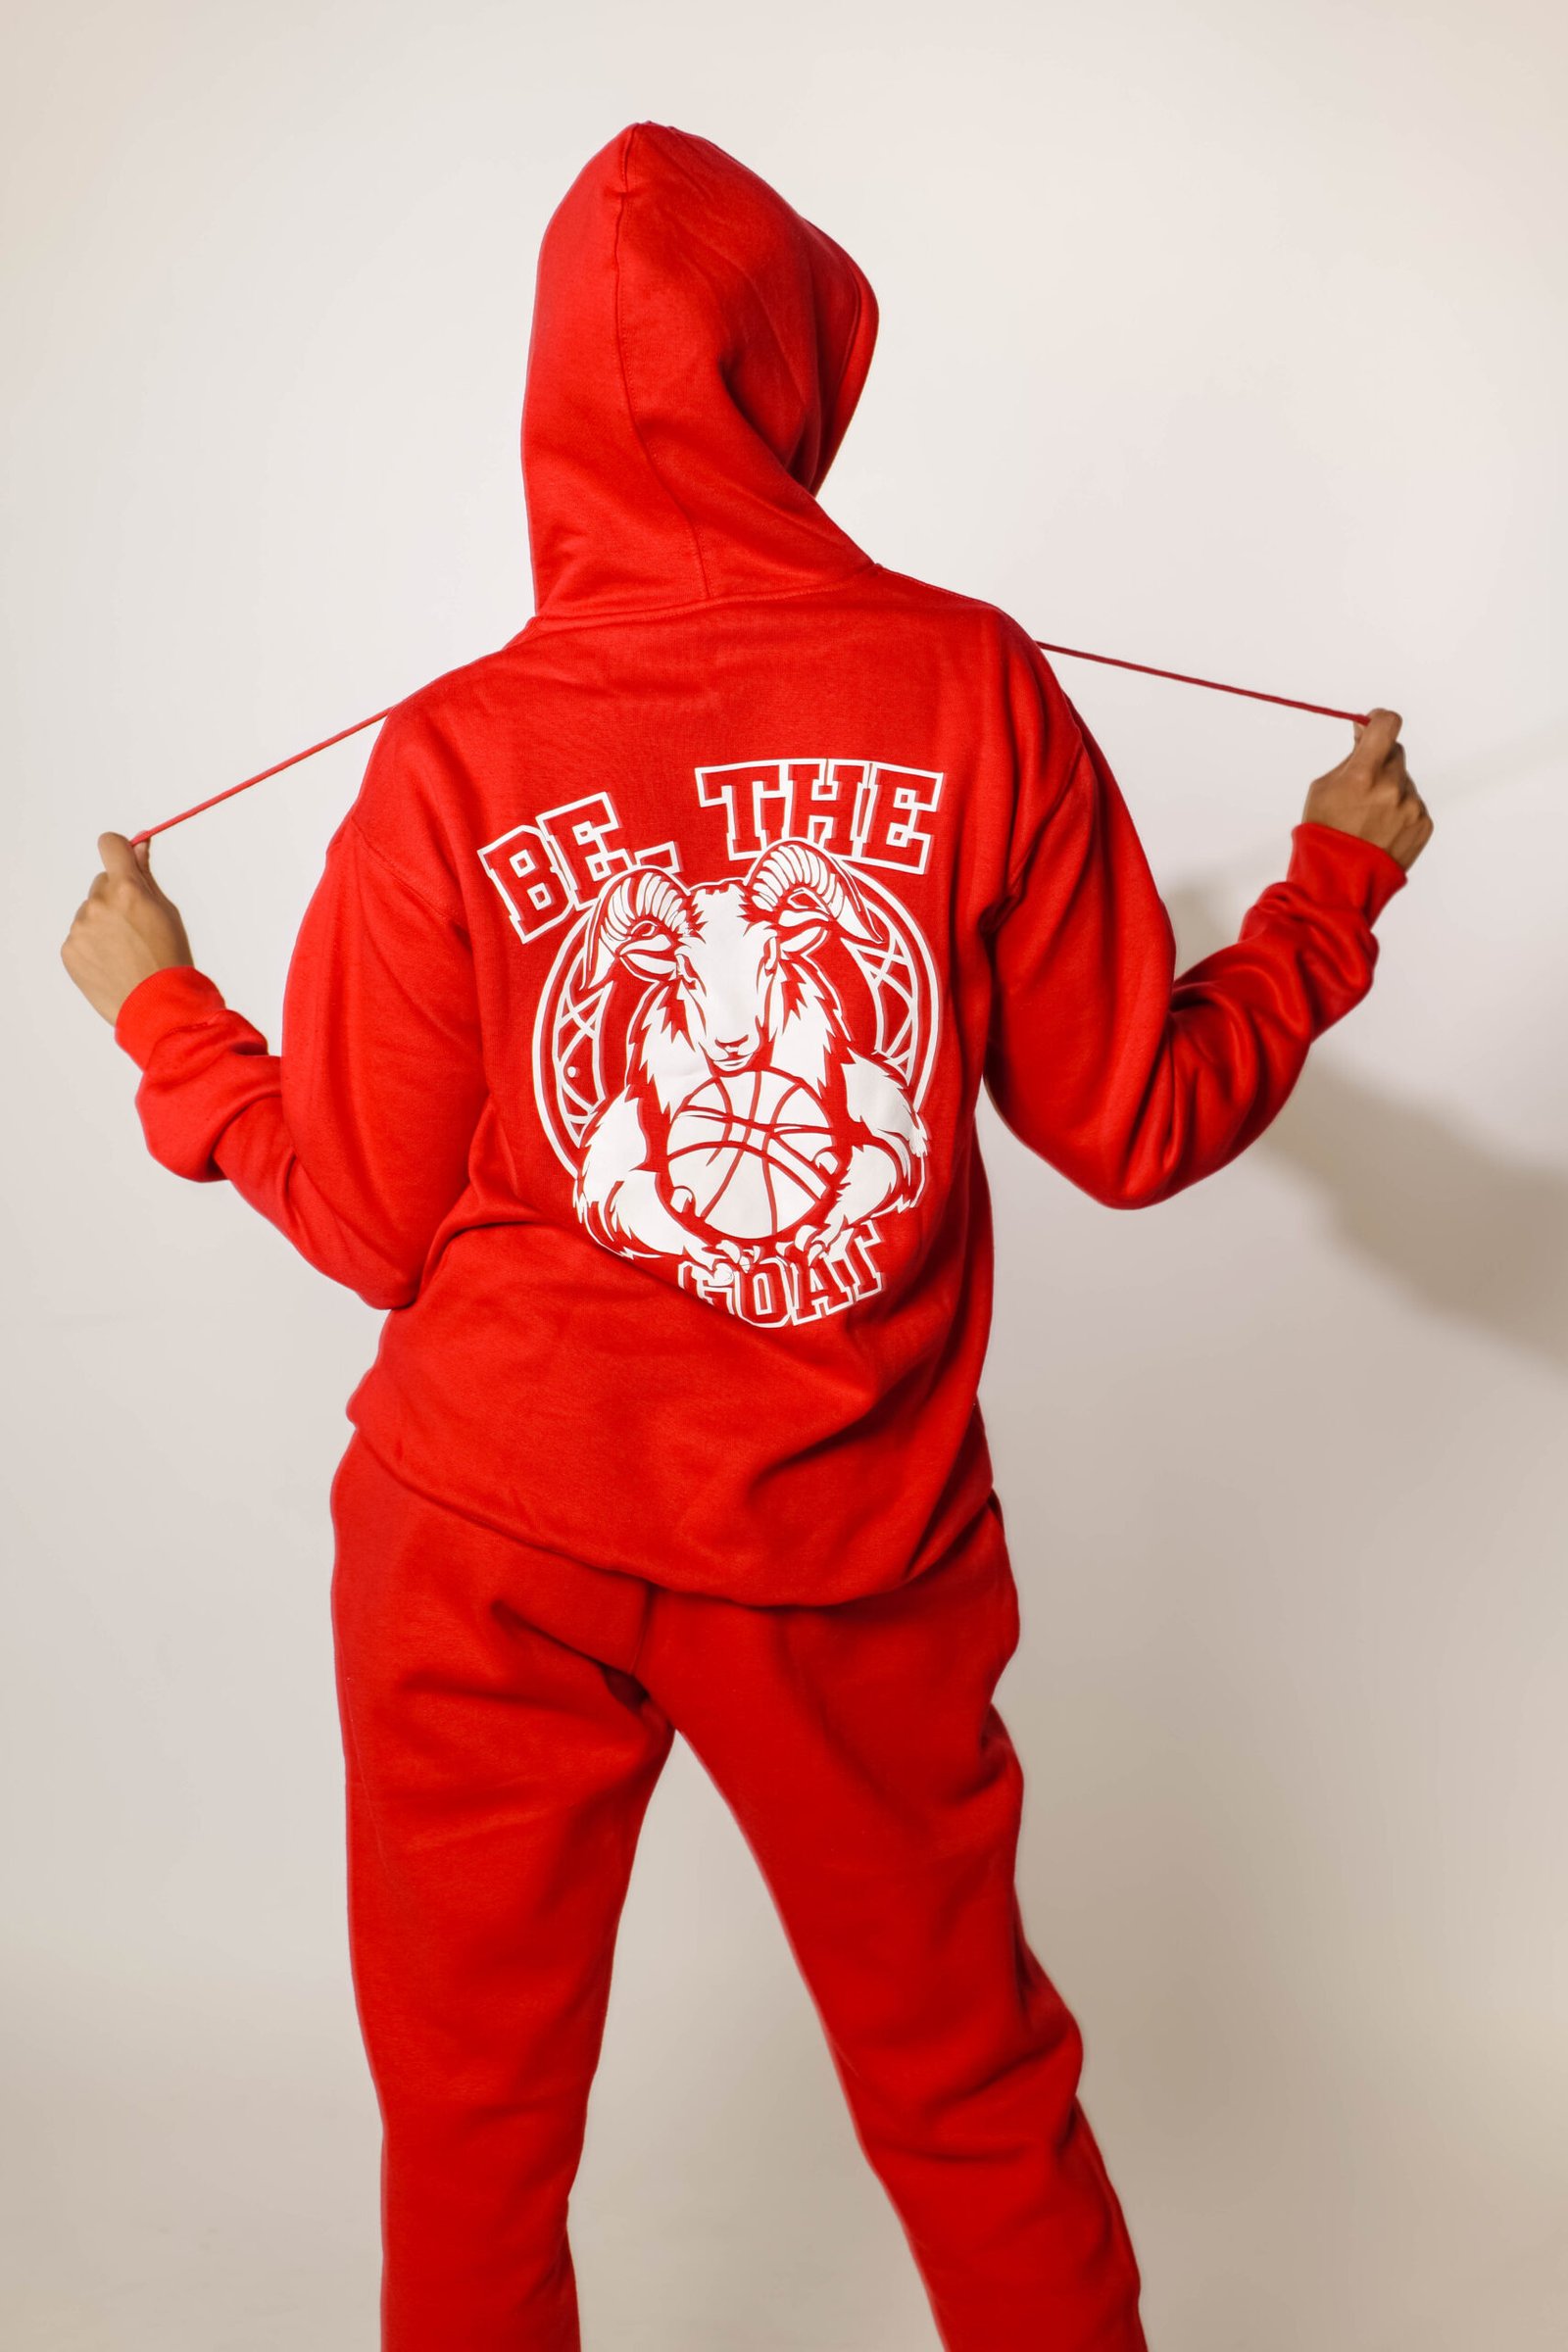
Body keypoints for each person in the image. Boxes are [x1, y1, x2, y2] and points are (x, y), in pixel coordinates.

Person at [61, 122, 1431, 2352]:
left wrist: (166, 1019)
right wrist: (1329, 894)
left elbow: (368, 1220)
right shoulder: (970, 686)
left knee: (473, 2133)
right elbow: (1134, 1121)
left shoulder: (455, 755)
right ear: (792, 375)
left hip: (483, 1534)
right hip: (841, 1537)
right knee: (970, 2097)